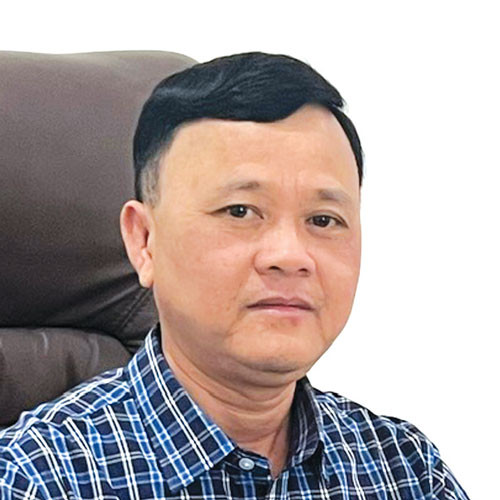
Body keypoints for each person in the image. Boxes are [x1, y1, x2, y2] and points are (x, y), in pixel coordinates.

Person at [0, 52, 469, 499]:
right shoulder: (34, 479)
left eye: (323, 220)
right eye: (240, 211)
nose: (290, 256)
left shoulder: (405, 469)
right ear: (143, 240)